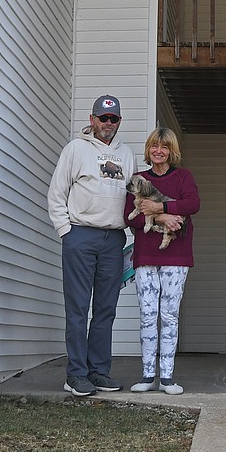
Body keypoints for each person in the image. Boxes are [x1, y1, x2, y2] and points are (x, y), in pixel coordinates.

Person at [47, 94, 135, 396]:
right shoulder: (75, 149)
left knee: (106, 309)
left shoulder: (127, 154)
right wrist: (65, 231)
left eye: (113, 119)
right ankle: (76, 374)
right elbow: (57, 192)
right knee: (77, 308)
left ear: (118, 122)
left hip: (113, 240)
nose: (107, 123)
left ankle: (99, 372)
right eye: (103, 118)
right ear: (92, 119)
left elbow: (131, 196)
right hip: (80, 236)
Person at [124, 126, 200, 395]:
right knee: (147, 315)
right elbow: (127, 216)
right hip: (145, 256)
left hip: (176, 258)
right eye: (155, 146)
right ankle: (147, 375)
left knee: (169, 315)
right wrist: (163, 218)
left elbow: (193, 204)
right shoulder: (138, 179)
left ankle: (167, 377)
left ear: (172, 151)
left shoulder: (183, 177)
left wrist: (160, 207)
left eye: (165, 147)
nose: (159, 151)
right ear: (149, 149)